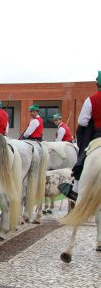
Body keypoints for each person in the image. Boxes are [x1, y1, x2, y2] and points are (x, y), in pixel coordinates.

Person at [60, 71, 101, 201]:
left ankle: (75, 189)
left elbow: (82, 121)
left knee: (82, 159)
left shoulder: (91, 99)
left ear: (97, 84)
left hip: (98, 134)